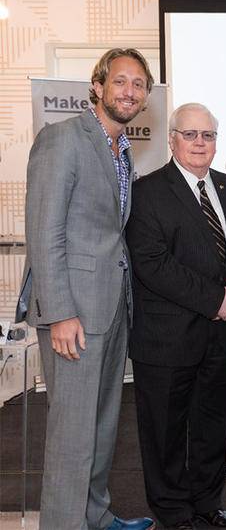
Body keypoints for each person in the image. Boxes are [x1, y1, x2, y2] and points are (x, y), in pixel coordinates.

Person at [15, 48, 155, 530]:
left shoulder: (121, 149)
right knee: (72, 435)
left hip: (112, 309)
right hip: (73, 315)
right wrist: (59, 312)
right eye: (120, 81)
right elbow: (45, 230)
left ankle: (94, 516)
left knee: (100, 428)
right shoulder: (62, 140)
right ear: (97, 86)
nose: (129, 92)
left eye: (139, 85)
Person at [126, 103, 226, 530]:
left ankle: (207, 503)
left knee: (213, 427)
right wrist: (216, 299)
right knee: (163, 433)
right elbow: (152, 263)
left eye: (208, 135)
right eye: (190, 134)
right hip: (166, 338)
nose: (200, 143)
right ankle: (173, 512)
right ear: (172, 139)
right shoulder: (147, 192)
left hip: (221, 336)